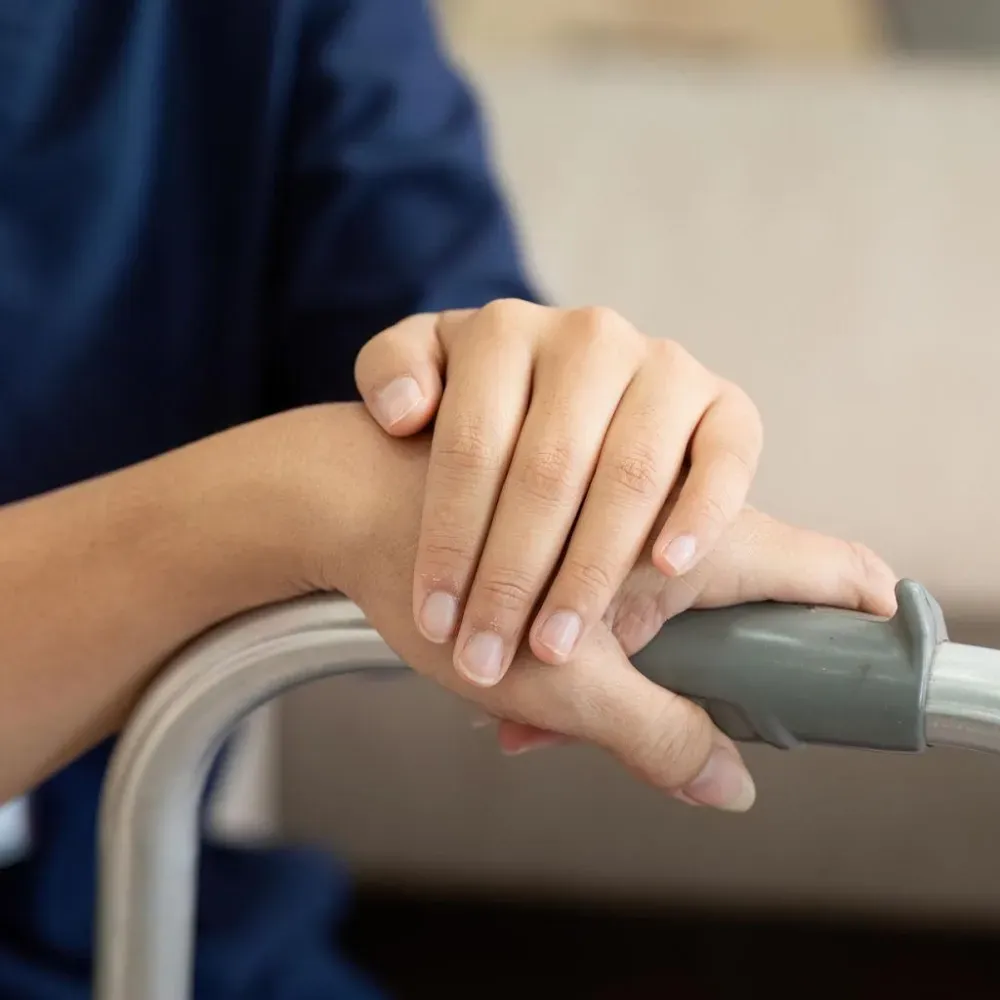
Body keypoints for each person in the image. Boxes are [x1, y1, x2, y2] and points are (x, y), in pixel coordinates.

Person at [0, 1, 896, 997]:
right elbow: (357, 493)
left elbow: (445, 426)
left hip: (154, 921)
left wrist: (561, 444)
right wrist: (289, 499)